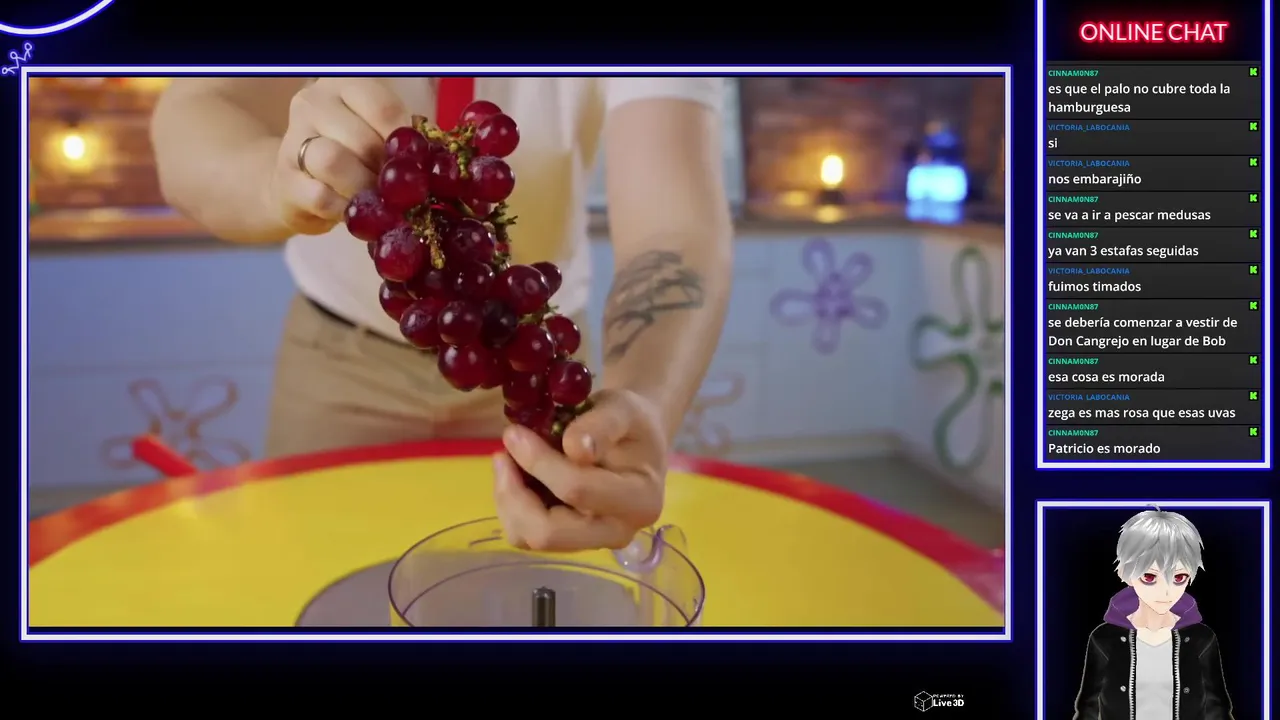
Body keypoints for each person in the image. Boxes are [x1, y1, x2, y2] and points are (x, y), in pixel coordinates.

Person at [150, 77, 733, 552]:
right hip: (340, 365)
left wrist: (643, 401)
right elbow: (193, 114)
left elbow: (673, 219)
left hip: (531, 363)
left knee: (537, 599)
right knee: (317, 575)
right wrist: (278, 185)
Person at [1073, 508, 1233, 720]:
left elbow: (1217, 707)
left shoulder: (1201, 639)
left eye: (1179, 578)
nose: (1165, 592)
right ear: (1125, 574)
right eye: (1149, 577)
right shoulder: (1104, 638)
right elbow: (1088, 707)